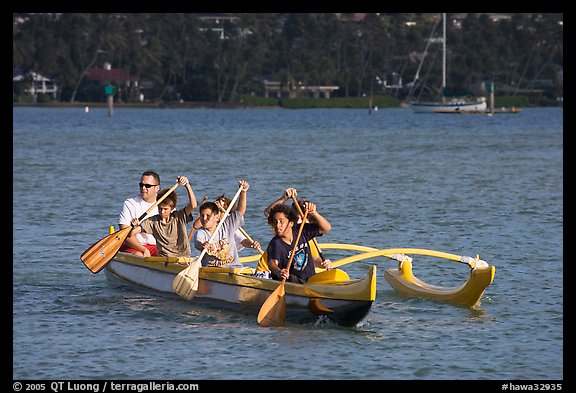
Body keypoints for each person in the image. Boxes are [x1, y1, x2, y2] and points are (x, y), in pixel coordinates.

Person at [128, 176, 198, 257]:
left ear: (172, 208)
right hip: (163, 259)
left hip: (183, 258)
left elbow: (193, 205)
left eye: (165, 209)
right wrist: (134, 226)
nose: (162, 211)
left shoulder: (179, 217)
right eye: (160, 208)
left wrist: (187, 185)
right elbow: (131, 234)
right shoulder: (152, 221)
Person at [263, 187, 331, 271]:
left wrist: (323, 263)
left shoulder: (306, 234)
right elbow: (268, 213)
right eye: (295, 219)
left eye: (301, 220)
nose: (297, 223)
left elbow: (315, 259)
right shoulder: (282, 229)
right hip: (269, 272)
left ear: (307, 222)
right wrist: (284, 198)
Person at [193, 180, 251, 267]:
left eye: (208, 216)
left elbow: (240, 211)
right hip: (212, 271)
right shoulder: (201, 233)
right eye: (202, 216)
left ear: (217, 217)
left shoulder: (228, 225)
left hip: (234, 267)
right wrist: (203, 245)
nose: (204, 219)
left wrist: (243, 192)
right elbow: (198, 242)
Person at [118, 171, 161, 256]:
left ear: (157, 188)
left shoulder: (164, 205)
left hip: (156, 247)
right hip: (134, 246)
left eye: (147, 186)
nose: (143, 188)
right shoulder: (130, 204)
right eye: (141, 185)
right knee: (139, 255)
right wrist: (144, 250)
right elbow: (125, 234)